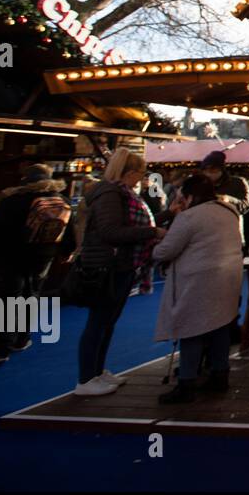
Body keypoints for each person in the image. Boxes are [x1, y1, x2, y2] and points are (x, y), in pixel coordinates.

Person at [74, 148, 163, 396]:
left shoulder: (119, 193)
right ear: (130, 172)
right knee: (99, 321)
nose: (142, 179)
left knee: (107, 321)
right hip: (107, 265)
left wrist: (165, 217)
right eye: (140, 173)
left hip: (120, 264)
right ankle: (85, 377)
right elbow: (111, 231)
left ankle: (97, 371)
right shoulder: (111, 195)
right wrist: (151, 233)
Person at [152, 173, 247, 404]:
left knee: (191, 330)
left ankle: (187, 382)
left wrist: (157, 245)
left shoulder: (189, 217)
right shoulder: (229, 212)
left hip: (197, 281)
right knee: (221, 327)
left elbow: (165, 251)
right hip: (228, 277)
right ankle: (219, 374)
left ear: (189, 196)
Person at [0, 164, 74, 366]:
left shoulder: (12, 201)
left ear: (25, 180)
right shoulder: (62, 200)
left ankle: (2, 348)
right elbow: (68, 231)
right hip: (43, 259)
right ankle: (22, 339)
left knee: (7, 302)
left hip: (11, 258)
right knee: (31, 296)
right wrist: (66, 252)